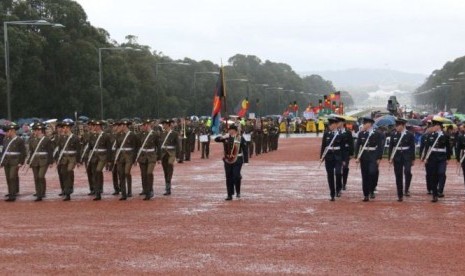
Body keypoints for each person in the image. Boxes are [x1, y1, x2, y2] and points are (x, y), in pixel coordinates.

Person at [215, 124, 249, 200]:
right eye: (229, 130)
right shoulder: (226, 138)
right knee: (228, 177)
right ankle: (229, 194)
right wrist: (223, 137)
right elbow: (216, 139)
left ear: (235, 131)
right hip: (227, 160)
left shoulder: (240, 138)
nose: (230, 131)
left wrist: (246, 161)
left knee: (236, 176)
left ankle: (238, 191)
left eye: (232, 130)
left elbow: (245, 149)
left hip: (237, 159)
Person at [422, 116, 451, 202]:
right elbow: (427, 147)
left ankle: (440, 189)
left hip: (442, 156)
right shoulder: (430, 135)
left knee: (441, 173)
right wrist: (425, 158)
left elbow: (448, 147)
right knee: (433, 175)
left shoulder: (445, 135)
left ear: (438, 126)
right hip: (432, 156)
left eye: (434, 126)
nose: (432, 127)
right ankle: (435, 195)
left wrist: (448, 158)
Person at [355, 117, 384, 202]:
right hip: (364, 156)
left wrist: (379, 157)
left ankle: (372, 188)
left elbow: (380, 147)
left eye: (365, 123)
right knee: (365, 175)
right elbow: (358, 146)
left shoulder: (377, 133)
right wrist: (357, 156)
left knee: (372, 172)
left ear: (370, 124)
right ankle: (366, 194)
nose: (363, 125)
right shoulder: (361, 134)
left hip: (373, 155)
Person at [388, 118, 415, 202]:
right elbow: (391, 147)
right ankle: (400, 194)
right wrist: (390, 157)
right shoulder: (393, 134)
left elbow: (412, 147)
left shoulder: (409, 134)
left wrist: (413, 158)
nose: (396, 127)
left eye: (398, 126)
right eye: (396, 126)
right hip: (397, 156)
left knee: (407, 172)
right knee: (398, 175)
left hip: (407, 156)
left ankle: (406, 188)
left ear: (403, 126)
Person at [320, 117, 345, 201]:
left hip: (338, 156)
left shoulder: (340, 134)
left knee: (338, 173)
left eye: (331, 124)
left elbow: (343, 148)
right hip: (329, 156)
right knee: (330, 175)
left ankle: (338, 189)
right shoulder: (326, 134)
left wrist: (344, 159)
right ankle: (332, 193)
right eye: (329, 124)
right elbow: (323, 146)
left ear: (335, 124)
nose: (329, 126)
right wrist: (322, 157)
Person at [27, 123, 54, 201]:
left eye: (39, 130)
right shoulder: (32, 140)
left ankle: (42, 192)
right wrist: (29, 161)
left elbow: (49, 151)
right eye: (35, 130)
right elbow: (31, 151)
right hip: (35, 160)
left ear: (42, 131)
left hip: (44, 160)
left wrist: (51, 161)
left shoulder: (46, 139)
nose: (37, 131)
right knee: (36, 177)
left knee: (40, 176)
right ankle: (39, 192)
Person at [0, 123, 26, 202]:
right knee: (8, 177)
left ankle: (13, 194)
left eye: (8, 131)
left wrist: (21, 162)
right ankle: (11, 192)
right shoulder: (5, 139)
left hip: (15, 161)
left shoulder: (19, 140)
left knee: (12, 177)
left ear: (12, 131)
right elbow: (4, 151)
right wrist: (1, 161)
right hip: (7, 161)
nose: (6, 133)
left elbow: (23, 152)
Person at [87, 120, 112, 201]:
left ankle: (99, 190)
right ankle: (97, 192)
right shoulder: (92, 136)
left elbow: (109, 149)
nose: (96, 127)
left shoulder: (105, 136)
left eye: (97, 126)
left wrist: (109, 160)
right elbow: (90, 147)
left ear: (100, 126)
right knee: (94, 173)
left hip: (102, 157)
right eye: (95, 126)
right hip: (94, 157)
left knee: (98, 171)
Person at [114, 119, 139, 200]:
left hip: (129, 156)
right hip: (121, 157)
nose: (121, 126)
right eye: (121, 125)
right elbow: (117, 147)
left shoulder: (132, 135)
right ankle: (124, 194)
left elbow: (136, 147)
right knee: (121, 174)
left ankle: (129, 191)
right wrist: (116, 157)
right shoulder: (118, 135)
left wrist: (135, 158)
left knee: (127, 172)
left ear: (126, 126)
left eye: (123, 125)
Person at [56, 120, 81, 201]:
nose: (64, 129)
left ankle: (68, 192)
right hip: (63, 158)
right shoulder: (61, 138)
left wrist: (78, 161)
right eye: (63, 127)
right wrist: (59, 159)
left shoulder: (75, 138)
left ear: (70, 128)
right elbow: (60, 149)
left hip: (72, 158)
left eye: (66, 127)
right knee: (63, 173)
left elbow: (78, 150)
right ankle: (67, 189)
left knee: (69, 171)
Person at [136, 119, 161, 200]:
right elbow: (137, 146)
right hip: (142, 156)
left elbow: (158, 147)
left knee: (149, 173)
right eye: (142, 125)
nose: (142, 127)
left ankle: (150, 191)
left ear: (148, 125)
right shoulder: (140, 134)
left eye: (144, 125)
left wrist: (159, 158)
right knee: (143, 174)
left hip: (151, 156)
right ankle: (146, 190)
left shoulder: (155, 134)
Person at [159, 119, 180, 195]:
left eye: (164, 124)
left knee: (170, 166)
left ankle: (168, 186)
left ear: (168, 125)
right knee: (165, 171)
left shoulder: (174, 133)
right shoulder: (161, 133)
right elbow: (159, 145)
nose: (163, 125)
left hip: (171, 153)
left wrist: (178, 156)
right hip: (163, 154)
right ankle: (167, 185)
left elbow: (178, 145)